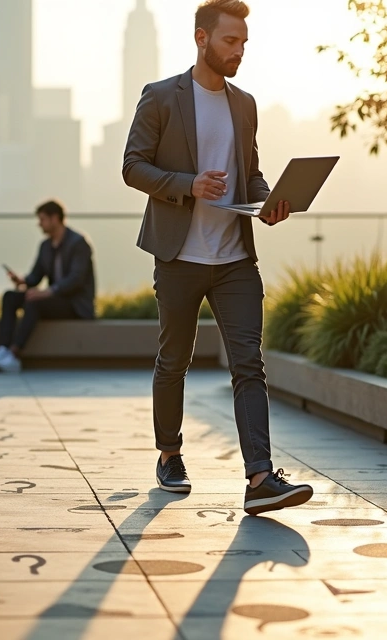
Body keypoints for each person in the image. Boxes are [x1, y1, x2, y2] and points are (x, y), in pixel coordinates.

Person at [122, 0, 313, 515]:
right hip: (179, 255)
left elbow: (249, 171)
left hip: (234, 258)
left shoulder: (244, 103)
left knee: (249, 364)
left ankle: (259, 479)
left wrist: (268, 201)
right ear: (202, 39)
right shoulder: (162, 97)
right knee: (174, 360)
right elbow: (133, 167)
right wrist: (189, 185)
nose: (239, 52)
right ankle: (170, 454)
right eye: (231, 41)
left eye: (244, 43)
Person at [0, 200, 96, 373]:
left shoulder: (79, 243)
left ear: (55, 218)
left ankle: (14, 355)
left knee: (34, 302)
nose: (39, 224)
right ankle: (2, 349)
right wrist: (22, 281)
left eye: (42, 219)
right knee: (10, 297)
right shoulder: (45, 246)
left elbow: (76, 280)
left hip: (74, 304)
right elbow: (36, 276)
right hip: (54, 299)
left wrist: (48, 292)